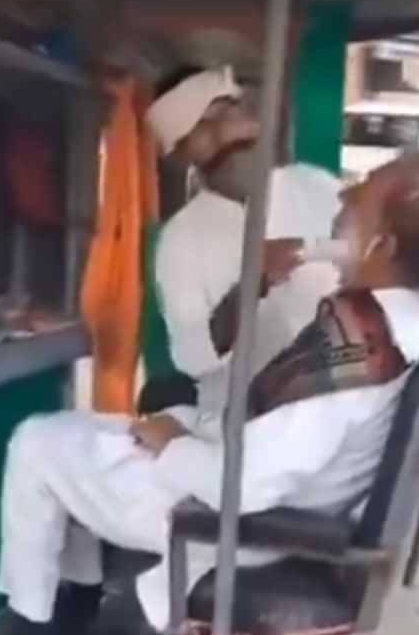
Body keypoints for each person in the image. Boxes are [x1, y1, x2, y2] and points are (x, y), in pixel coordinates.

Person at [0, 150, 419, 635]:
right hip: (299, 495)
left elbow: (248, 485)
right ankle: (75, 608)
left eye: (361, 197)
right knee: (120, 427)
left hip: (239, 521)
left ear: (384, 242)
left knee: (37, 442)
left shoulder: (357, 337)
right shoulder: (413, 322)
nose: (342, 199)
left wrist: (174, 444)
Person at [145, 65, 344, 419]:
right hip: (241, 425)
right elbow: (192, 357)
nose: (230, 130)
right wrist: (255, 280)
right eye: (206, 125)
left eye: (231, 111)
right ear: (183, 153)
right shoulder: (181, 238)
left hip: (338, 407)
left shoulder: (318, 187)